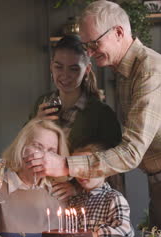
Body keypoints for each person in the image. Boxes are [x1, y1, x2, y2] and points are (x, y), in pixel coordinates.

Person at [26, 0, 161, 234]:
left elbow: (131, 153)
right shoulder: (124, 72)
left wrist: (65, 165)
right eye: (86, 45)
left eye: (94, 43)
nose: (89, 52)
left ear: (118, 32)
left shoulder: (150, 72)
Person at [29, 34, 122, 201]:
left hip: (84, 202)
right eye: (59, 67)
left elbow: (113, 165)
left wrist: (77, 187)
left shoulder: (102, 114)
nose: (64, 75)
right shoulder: (41, 103)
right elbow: (25, 149)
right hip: (42, 194)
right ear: (51, 66)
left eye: (74, 68)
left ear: (86, 70)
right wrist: (34, 124)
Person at [68, 144, 134, 237]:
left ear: (105, 170)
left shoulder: (113, 198)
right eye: (76, 168)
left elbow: (124, 231)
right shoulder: (74, 201)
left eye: (88, 167)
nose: (81, 173)